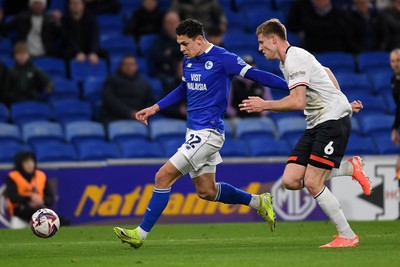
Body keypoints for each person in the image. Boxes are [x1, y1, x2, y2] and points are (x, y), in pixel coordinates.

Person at [113, 19, 291, 249]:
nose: (181, 49)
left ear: (199, 39)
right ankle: (259, 201)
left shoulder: (222, 57)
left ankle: (140, 234)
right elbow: (183, 90)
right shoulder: (188, 60)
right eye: (179, 44)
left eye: (185, 43)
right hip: (194, 132)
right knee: (206, 191)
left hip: (209, 132)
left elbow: (257, 75)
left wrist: (293, 85)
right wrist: (155, 108)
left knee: (162, 176)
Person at [240, 18, 371, 248]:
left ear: (274, 39)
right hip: (316, 123)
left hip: (331, 121)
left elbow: (298, 102)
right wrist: (343, 102)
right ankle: (350, 168)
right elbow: (326, 72)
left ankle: (347, 235)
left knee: (312, 181)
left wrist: (265, 105)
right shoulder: (288, 62)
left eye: (262, 42)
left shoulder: (295, 59)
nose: (260, 48)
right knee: (291, 180)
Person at [4, 151, 55, 228]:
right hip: (20, 213)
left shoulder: (41, 175)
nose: (30, 164)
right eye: (26, 162)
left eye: (32, 161)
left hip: (40, 211)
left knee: (53, 219)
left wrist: (42, 201)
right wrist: (29, 199)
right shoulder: (13, 176)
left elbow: (50, 197)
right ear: (20, 164)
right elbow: (12, 197)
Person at [100, 55, 154, 125]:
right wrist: (129, 113)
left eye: (132, 64)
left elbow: (149, 101)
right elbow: (109, 100)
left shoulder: (143, 83)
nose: (129, 67)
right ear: (121, 66)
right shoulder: (111, 81)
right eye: (126, 64)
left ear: (136, 66)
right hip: (114, 117)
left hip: (139, 118)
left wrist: (142, 114)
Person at [4, 41, 53, 105]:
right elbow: (6, 90)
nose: (21, 57)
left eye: (24, 54)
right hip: (16, 102)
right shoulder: (11, 72)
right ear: (15, 56)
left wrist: (49, 85)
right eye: (19, 54)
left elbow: (47, 80)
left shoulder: (34, 69)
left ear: (28, 55)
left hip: (33, 100)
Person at [61, 0, 105, 64]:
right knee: (66, 53)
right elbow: (69, 38)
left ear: (83, 5)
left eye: (77, 3)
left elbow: (95, 36)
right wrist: (77, 52)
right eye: (72, 3)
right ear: (69, 6)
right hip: (72, 50)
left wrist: (93, 52)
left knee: (104, 54)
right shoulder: (65, 20)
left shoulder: (91, 18)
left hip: (88, 48)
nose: (75, 5)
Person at [148, 11, 182, 84]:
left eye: (174, 22)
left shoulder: (187, 40)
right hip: (165, 74)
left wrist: (171, 52)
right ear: (164, 24)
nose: (172, 25)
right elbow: (159, 58)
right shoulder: (158, 41)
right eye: (169, 23)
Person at [389, 49, 400, 180]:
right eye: (393, 61)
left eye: (398, 61)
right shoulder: (394, 81)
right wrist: (394, 128)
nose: (395, 64)